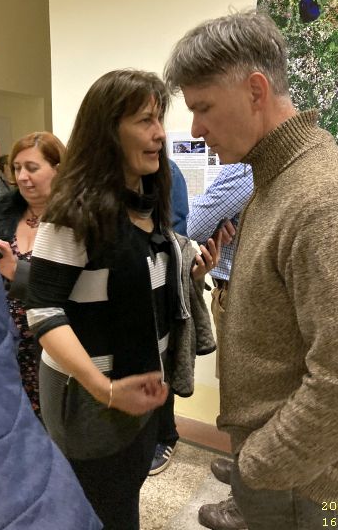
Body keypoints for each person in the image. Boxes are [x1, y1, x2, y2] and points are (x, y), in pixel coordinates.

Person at [164, 11, 338, 530]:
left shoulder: (322, 201)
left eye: (203, 108)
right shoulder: (275, 178)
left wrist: (257, 466)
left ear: (255, 91)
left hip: (307, 488)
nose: (196, 130)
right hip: (289, 474)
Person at [25, 69, 219, 530]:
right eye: (145, 121)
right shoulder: (74, 213)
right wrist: (104, 388)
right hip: (92, 400)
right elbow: (43, 309)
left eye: (159, 119)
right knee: (100, 509)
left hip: (140, 394)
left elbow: (135, 279)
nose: (159, 134)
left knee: (123, 495)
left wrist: (188, 274)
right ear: (108, 130)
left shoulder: (149, 204)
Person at [0, 217, 102, 529]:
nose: (24, 185)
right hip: (14, 379)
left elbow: (78, 296)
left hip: (46, 360)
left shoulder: (79, 223)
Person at [0, 132, 65, 419]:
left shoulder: (76, 222)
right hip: (5, 344)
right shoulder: (0, 217)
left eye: (32, 168)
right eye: (17, 168)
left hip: (52, 345)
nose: (22, 177)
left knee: (52, 425)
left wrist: (17, 271)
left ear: (58, 170)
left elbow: (75, 292)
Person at [187, 162, 253, 529]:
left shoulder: (245, 169)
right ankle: (246, 469)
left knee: (244, 396)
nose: (200, 136)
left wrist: (208, 218)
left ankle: (246, 501)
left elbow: (191, 223)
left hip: (240, 293)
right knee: (240, 391)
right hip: (238, 290)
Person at [149, 158, 189, 475]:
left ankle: (165, 436)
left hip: (159, 282)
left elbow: (176, 236)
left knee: (162, 357)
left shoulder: (168, 171)